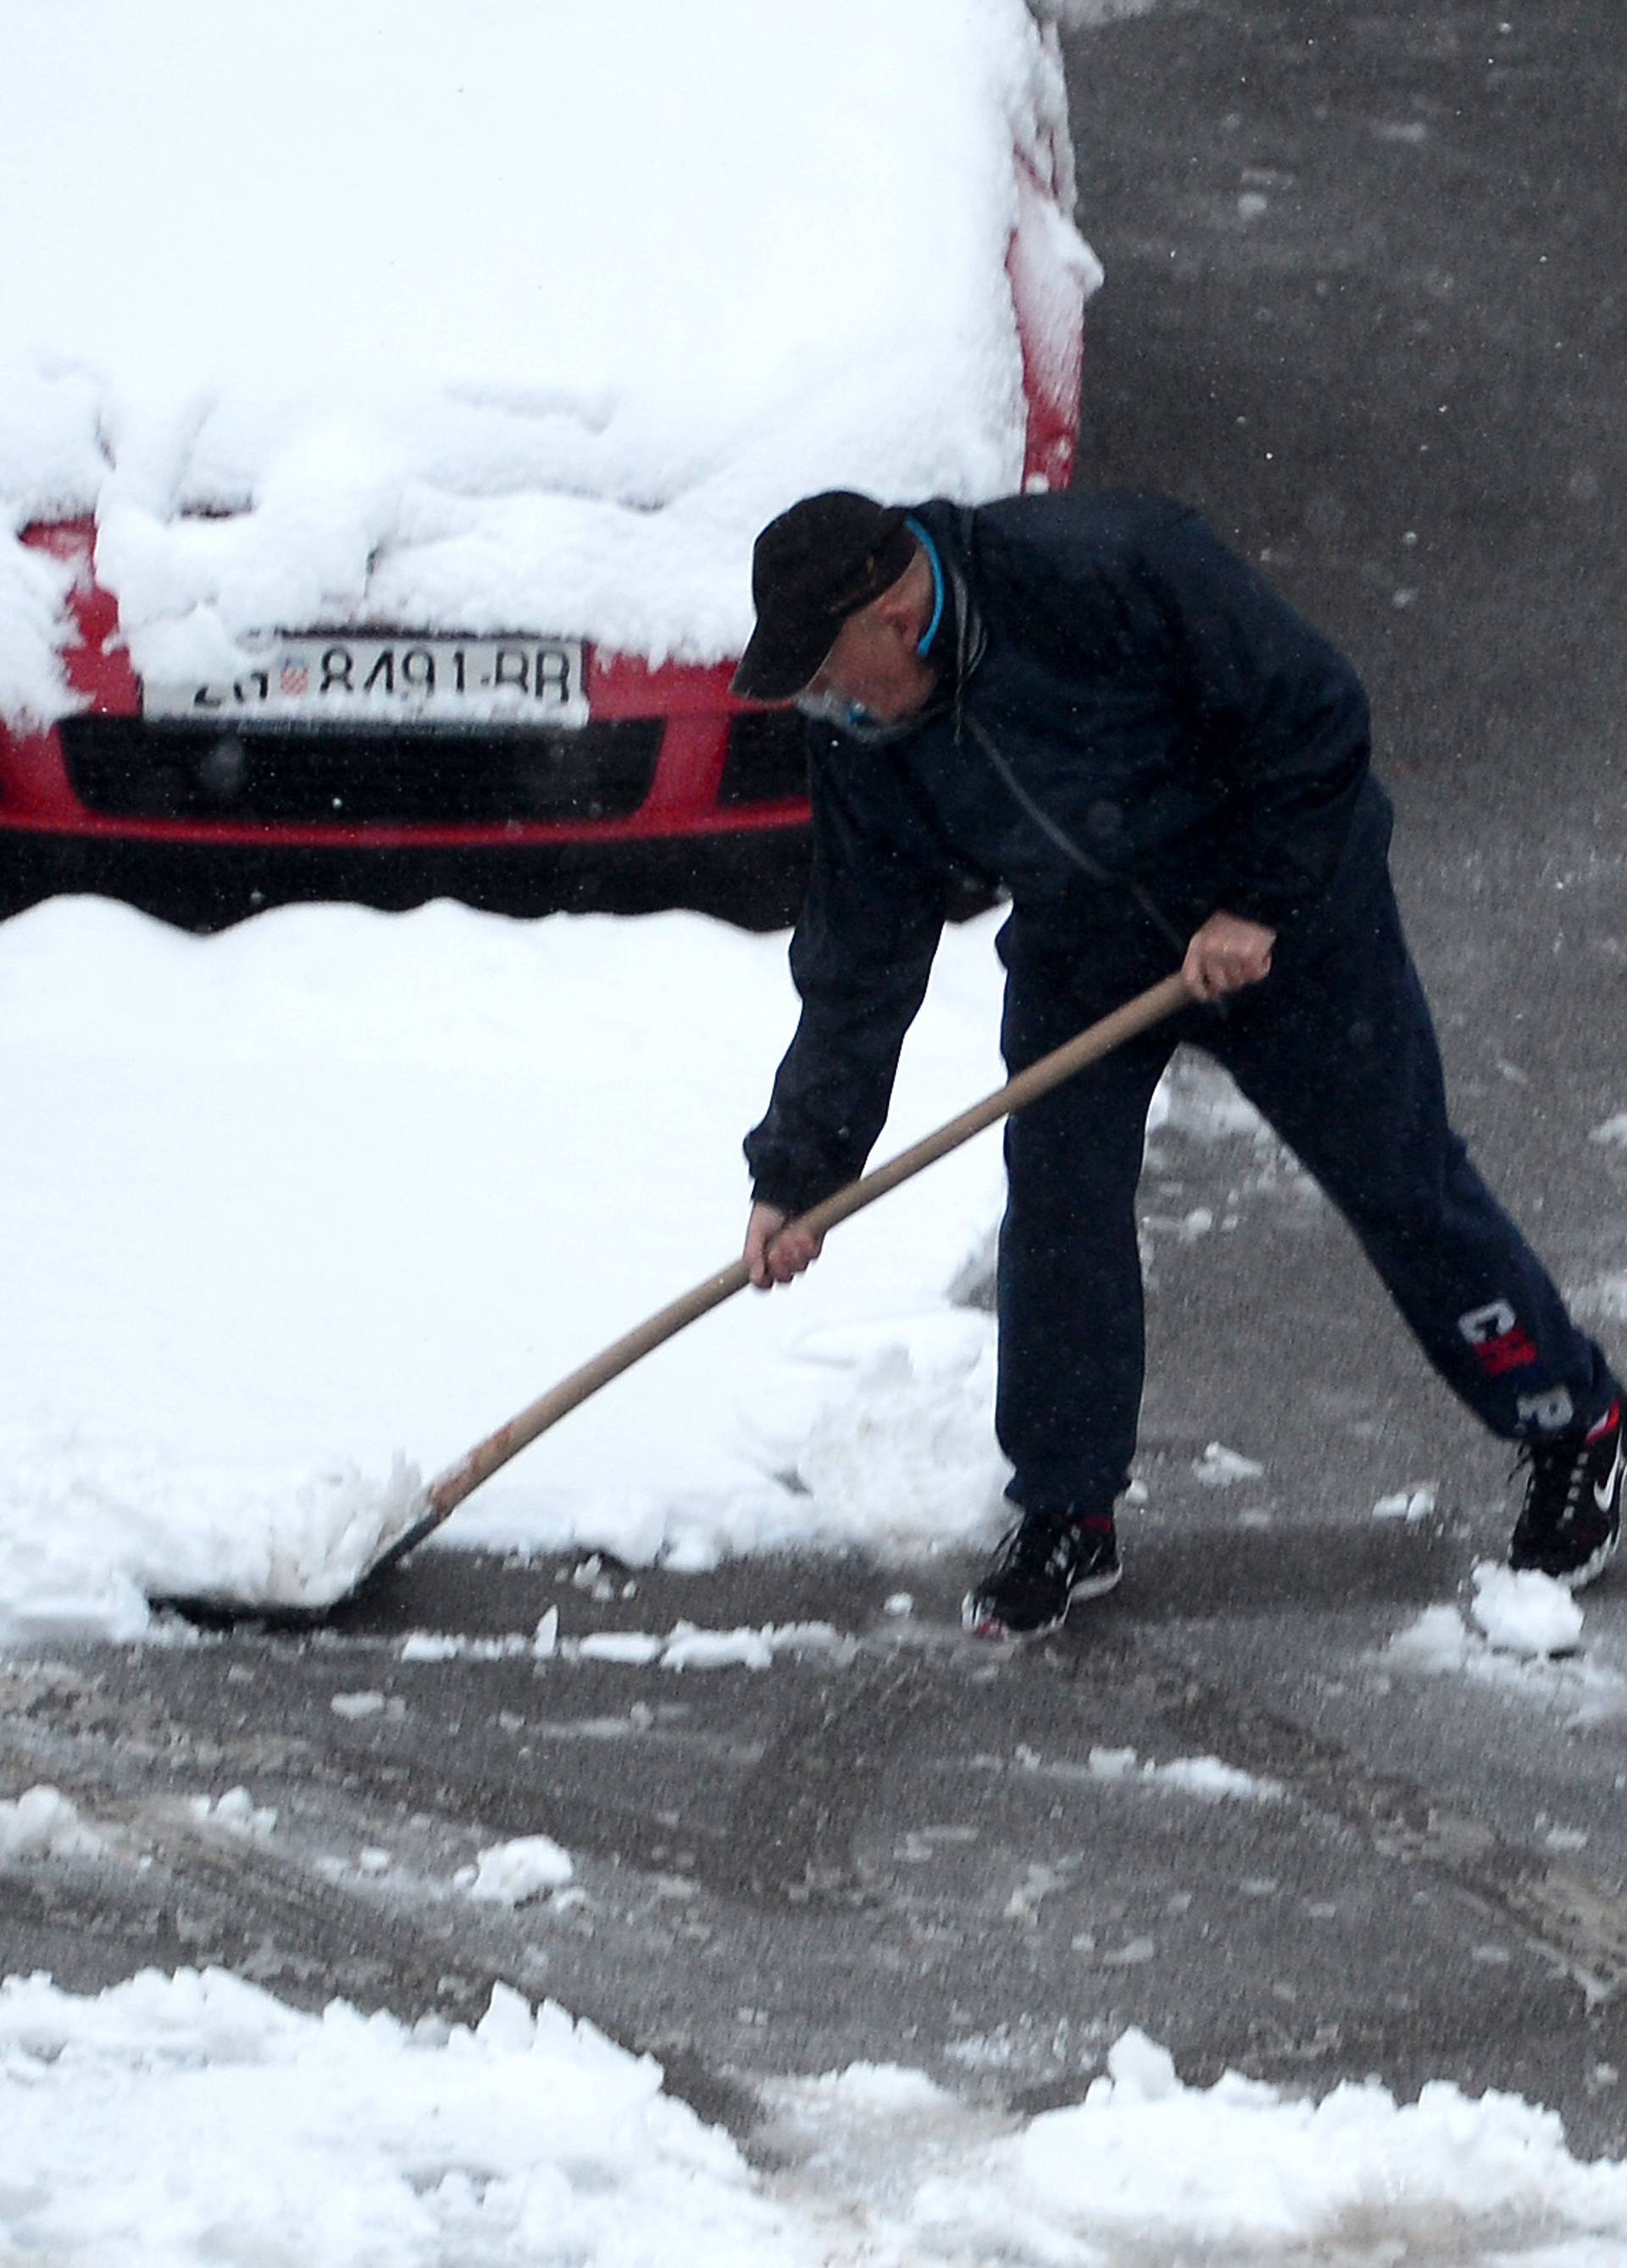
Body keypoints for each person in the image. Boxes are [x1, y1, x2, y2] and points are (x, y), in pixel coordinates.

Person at [730, 487, 1624, 1641]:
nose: (823, 701)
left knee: (1396, 1176)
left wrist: (1257, 900)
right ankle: (1066, 1508)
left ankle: (1573, 1424)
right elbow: (859, 956)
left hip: (1289, 904)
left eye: (826, 670)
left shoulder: (1105, 568)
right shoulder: (864, 736)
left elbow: (1315, 715)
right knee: (1058, 1197)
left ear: (899, 617)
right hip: (1086, 939)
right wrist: (802, 1169)